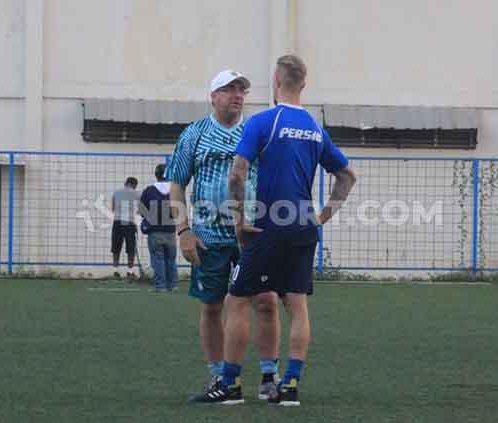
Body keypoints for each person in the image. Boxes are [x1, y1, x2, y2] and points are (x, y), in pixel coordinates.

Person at [196, 55, 357, 405]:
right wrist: (322, 217)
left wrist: (240, 221)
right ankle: (289, 387)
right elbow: (347, 176)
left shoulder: (263, 122)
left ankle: (230, 385)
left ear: (275, 81)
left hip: (268, 226)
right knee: (296, 305)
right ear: (303, 83)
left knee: (236, 301)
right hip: (302, 226)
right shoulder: (315, 129)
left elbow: (237, 174)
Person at [166, 69, 281, 401]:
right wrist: (184, 231)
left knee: (267, 302)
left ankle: (268, 376)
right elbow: (176, 182)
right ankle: (220, 378)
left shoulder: (257, 131)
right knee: (212, 306)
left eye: (242, 89)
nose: (237, 95)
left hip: (255, 234)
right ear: (213, 96)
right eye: (229, 89)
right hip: (208, 237)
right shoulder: (195, 134)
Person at [139, 164, 178, 292]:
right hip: (170, 230)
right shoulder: (175, 190)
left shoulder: (149, 190)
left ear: (156, 175)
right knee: (171, 259)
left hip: (155, 230)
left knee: (157, 259)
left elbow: (141, 210)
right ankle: (173, 285)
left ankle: (160, 286)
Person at [111, 177, 141, 280]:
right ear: (134, 184)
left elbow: (113, 208)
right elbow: (142, 207)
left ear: (126, 183)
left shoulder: (116, 192)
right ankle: (130, 272)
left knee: (116, 247)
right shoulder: (136, 193)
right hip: (129, 223)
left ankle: (115, 271)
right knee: (131, 248)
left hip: (117, 222)